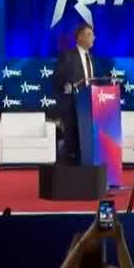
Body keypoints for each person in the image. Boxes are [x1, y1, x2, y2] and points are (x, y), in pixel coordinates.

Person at [52, 24, 98, 164]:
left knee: (85, 144)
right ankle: (65, 177)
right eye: (90, 34)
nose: (93, 38)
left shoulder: (90, 58)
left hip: (89, 108)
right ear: (80, 37)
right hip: (72, 107)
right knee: (71, 144)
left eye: (93, 34)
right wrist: (68, 85)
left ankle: (84, 174)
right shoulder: (68, 56)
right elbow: (57, 78)